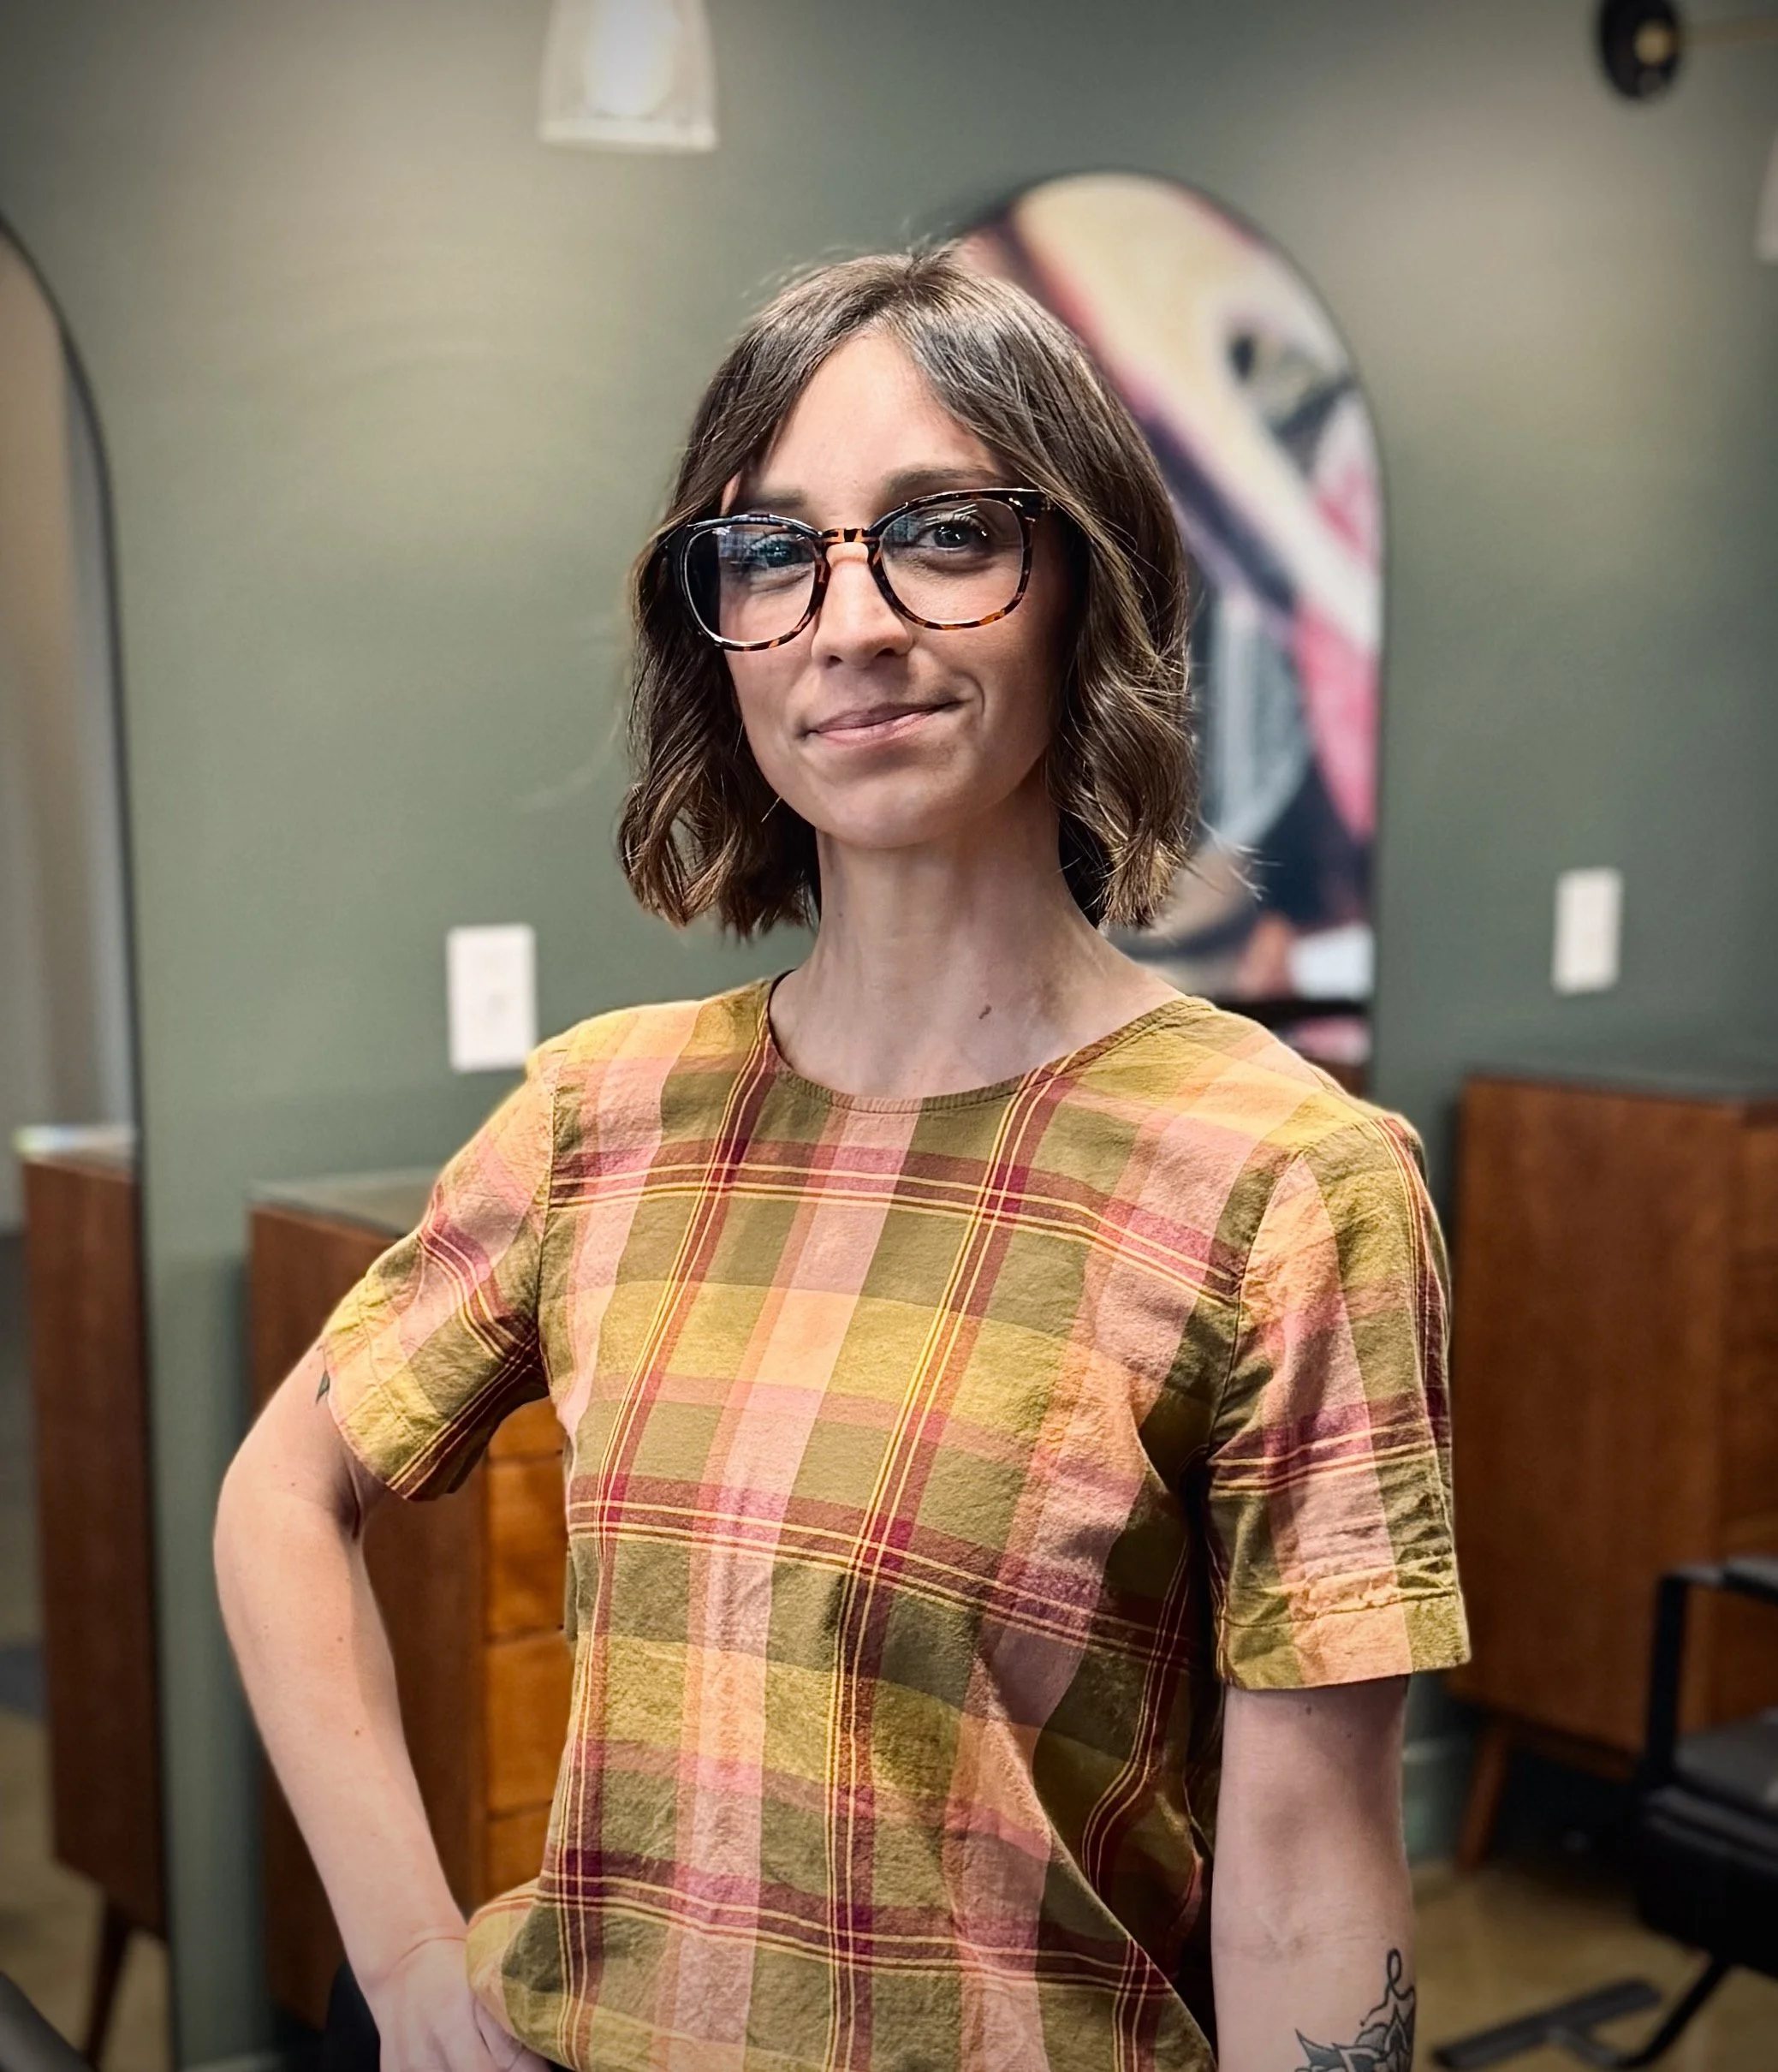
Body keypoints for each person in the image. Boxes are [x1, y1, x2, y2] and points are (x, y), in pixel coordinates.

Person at [216, 247, 1466, 2072]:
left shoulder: (1283, 1177)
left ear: (1082, 589)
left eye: (945, 532)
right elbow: (280, 1494)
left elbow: (1300, 1874)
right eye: (771, 551)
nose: (848, 620)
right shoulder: (600, 1117)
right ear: (714, 634)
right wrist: (410, 1963)